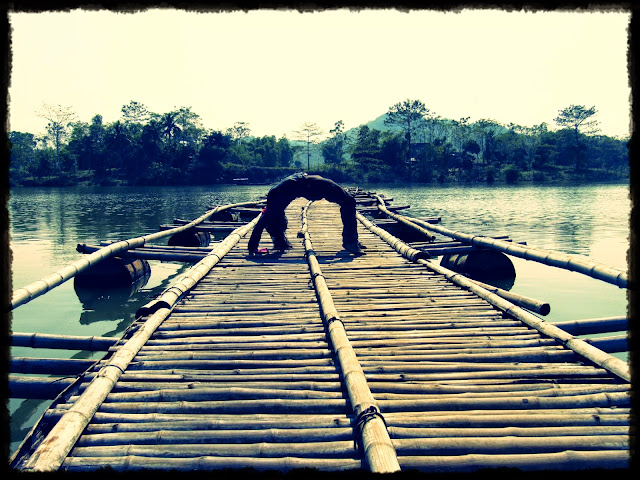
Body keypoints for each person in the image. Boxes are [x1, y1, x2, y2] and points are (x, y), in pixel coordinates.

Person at [248, 173, 366, 255]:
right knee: (348, 201)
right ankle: (350, 242)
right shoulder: (276, 203)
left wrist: (252, 247)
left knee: (348, 201)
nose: (285, 225)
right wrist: (252, 248)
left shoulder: (275, 202)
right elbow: (261, 223)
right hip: (311, 185)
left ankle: (351, 241)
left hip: (310, 185)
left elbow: (261, 223)